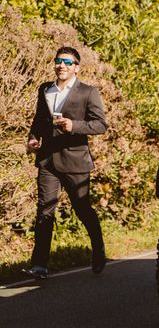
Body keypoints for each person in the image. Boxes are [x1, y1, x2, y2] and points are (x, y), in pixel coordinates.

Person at [24, 47, 108, 279]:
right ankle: (39, 265)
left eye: (68, 62)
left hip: (75, 161)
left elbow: (100, 125)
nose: (62, 65)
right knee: (45, 210)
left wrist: (75, 126)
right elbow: (39, 121)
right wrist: (32, 139)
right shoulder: (45, 89)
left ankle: (98, 248)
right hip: (48, 161)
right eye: (59, 61)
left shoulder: (87, 92)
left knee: (82, 209)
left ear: (76, 67)